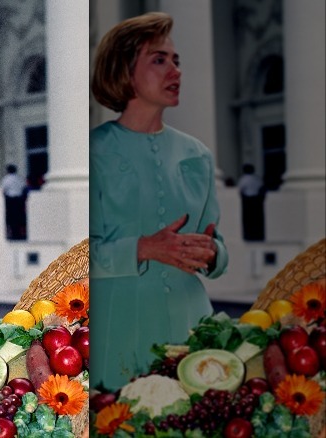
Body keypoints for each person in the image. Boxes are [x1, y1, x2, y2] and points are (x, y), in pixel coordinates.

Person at [89, 12, 228, 391]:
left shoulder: (197, 154)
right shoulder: (93, 151)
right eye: (159, 59)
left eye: (177, 61)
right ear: (124, 70)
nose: (175, 71)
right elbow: (78, 258)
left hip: (193, 328)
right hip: (120, 332)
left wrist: (212, 253)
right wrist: (145, 247)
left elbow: (218, 249)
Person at [237, 163, 265, 241]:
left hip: (247, 201)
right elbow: (261, 188)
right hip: (257, 201)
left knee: (248, 219)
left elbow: (240, 190)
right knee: (257, 219)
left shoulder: (243, 179)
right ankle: (257, 235)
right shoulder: (257, 179)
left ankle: (249, 235)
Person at [1, 164, 28, 240]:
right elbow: (24, 187)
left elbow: (3, 190)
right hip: (19, 200)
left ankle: (12, 234)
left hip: (10, 200)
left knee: (11, 217)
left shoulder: (6, 179)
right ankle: (19, 233)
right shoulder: (19, 178)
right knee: (19, 217)